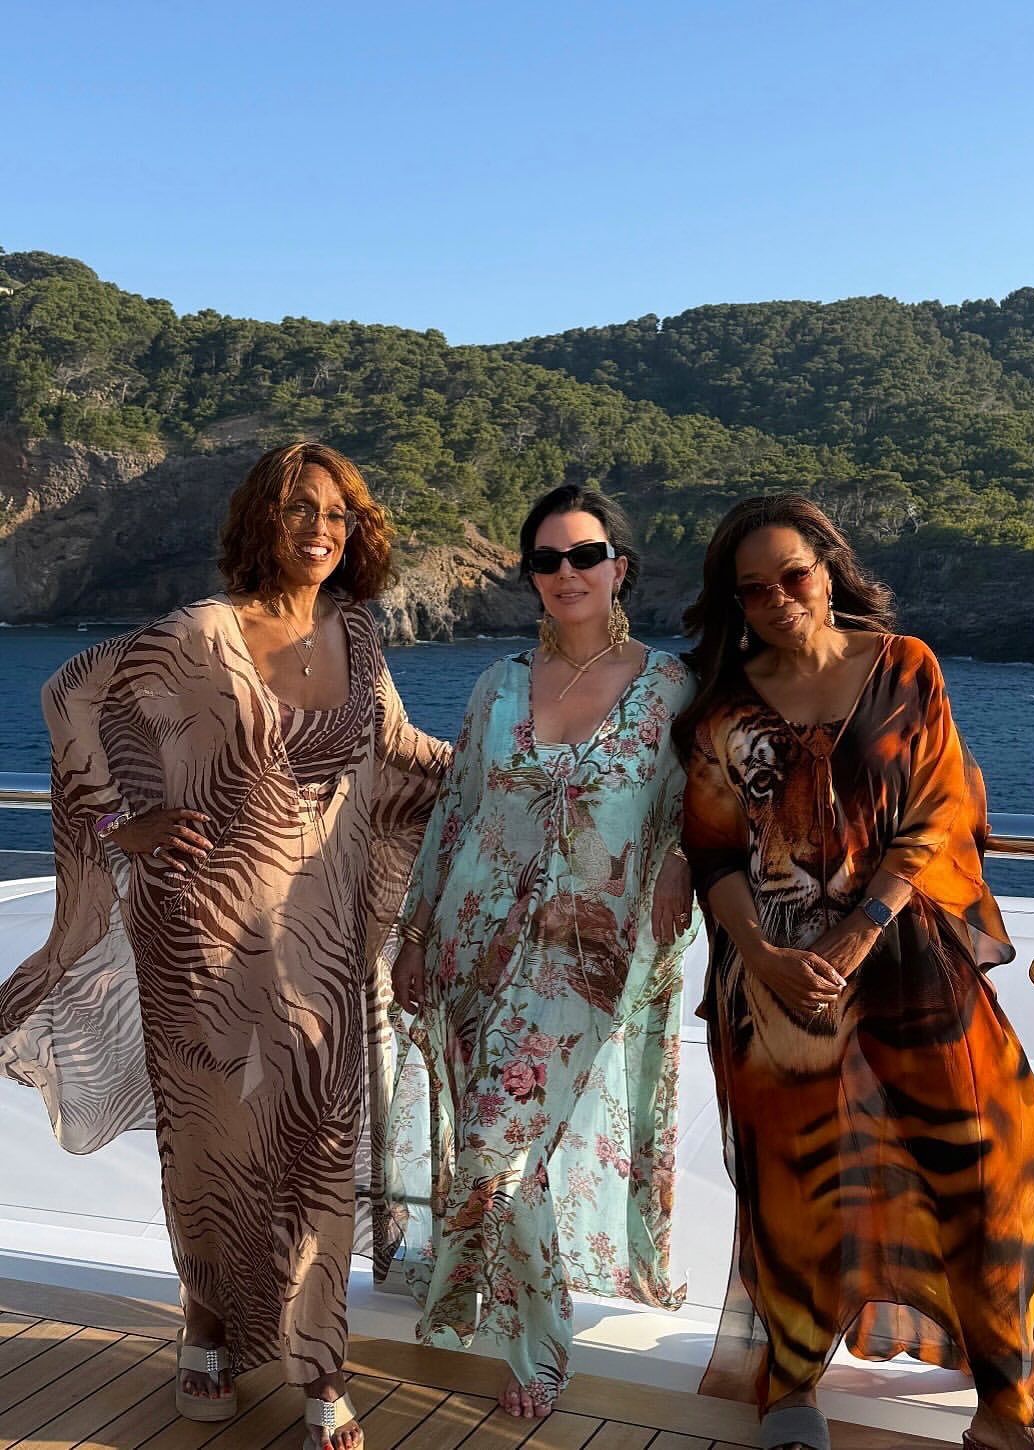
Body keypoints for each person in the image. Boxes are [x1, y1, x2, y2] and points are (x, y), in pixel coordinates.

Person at [0, 442, 450, 1450]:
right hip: (198, 936)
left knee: (320, 1150)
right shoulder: (203, 631)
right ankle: (205, 1323)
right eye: (295, 509)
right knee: (213, 1150)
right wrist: (121, 823)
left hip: (321, 948)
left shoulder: (360, 635)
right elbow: (69, 692)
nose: (317, 527)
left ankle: (317, 1360)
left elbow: (403, 757)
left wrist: (520, 772)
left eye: (334, 510)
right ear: (259, 521)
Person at [674, 493, 1034, 1450]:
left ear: (829, 567)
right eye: (754, 589)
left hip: (906, 961)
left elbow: (939, 811)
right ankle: (791, 1389)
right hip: (776, 987)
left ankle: (1006, 1401)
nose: (779, 599)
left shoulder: (906, 666)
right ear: (734, 603)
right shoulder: (725, 705)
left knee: (977, 1175)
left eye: (794, 576)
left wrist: (858, 929)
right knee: (789, 1191)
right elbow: (712, 853)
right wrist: (764, 955)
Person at [387, 484, 699, 1419]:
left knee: (494, 1137)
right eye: (548, 560)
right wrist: (412, 932)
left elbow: (696, 807)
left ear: (619, 567)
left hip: (584, 956)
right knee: (500, 1144)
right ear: (530, 576)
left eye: (585, 555)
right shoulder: (498, 685)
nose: (568, 574)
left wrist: (681, 861)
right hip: (470, 939)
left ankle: (539, 1344)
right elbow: (457, 814)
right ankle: (513, 1317)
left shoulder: (670, 688)